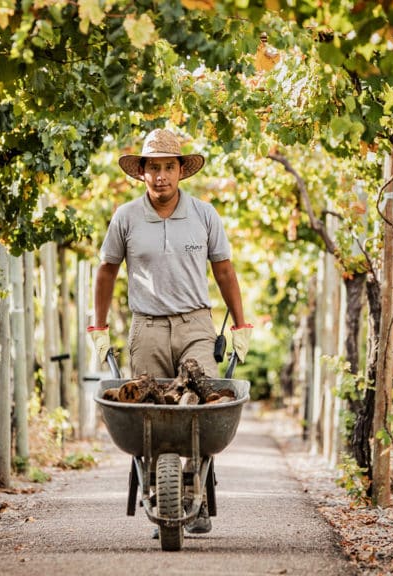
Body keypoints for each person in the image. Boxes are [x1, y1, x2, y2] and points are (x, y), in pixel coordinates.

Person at [87, 128, 252, 536]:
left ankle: (196, 488)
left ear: (181, 171)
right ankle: (163, 493)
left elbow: (224, 270)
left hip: (196, 323)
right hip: (147, 326)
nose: (161, 176)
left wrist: (241, 323)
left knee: (203, 406)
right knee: (151, 412)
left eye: (168, 167)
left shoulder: (203, 214)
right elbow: (106, 271)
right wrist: (98, 325)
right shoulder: (126, 217)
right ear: (142, 172)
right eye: (153, 168)